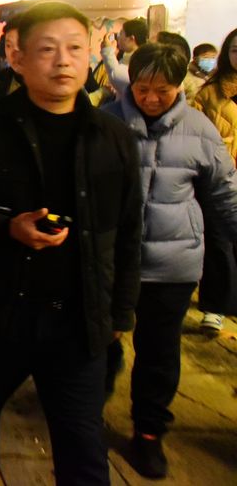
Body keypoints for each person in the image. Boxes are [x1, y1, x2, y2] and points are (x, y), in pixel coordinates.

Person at [0, 1, 143, 486]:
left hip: (77, 322)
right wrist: (6, 228)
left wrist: (119, 316)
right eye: (48, 49)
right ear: (18, 56)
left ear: (91, 55)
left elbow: (129, 232)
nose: (64, 61)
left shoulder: (113, 138)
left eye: (75, 49)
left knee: (84, 453)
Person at [102, 43, 237, 478]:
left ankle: (148, 433)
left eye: (163, 90)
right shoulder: (106, 122)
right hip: (112, 263)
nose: (152, 98)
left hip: (173, 262)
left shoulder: (199, 129)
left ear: (179, 86)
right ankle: (86, 412)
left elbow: (223, 193)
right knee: (100, 342)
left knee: (159, 353)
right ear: (130, 83)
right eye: (143, 88)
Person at [190, 27, 237, 334]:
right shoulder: (209, 93)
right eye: (235, 49)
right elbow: (198, 136)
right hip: (221, 178)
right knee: (219, 243)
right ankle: (215, 306)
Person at [99, 17, 148, 96]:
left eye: (121, 33)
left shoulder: (141, 60)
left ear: (131, 39)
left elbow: (116, 74)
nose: (118, 37)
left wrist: (107, 50)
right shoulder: (125, 57)